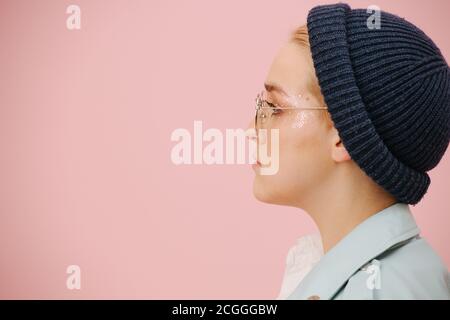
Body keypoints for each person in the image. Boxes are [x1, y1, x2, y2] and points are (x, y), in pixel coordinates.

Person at [249, 3, 450, 299]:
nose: (251, 130)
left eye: (276, 108)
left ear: (344, 135)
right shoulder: (376, 273)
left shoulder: (378, 290)